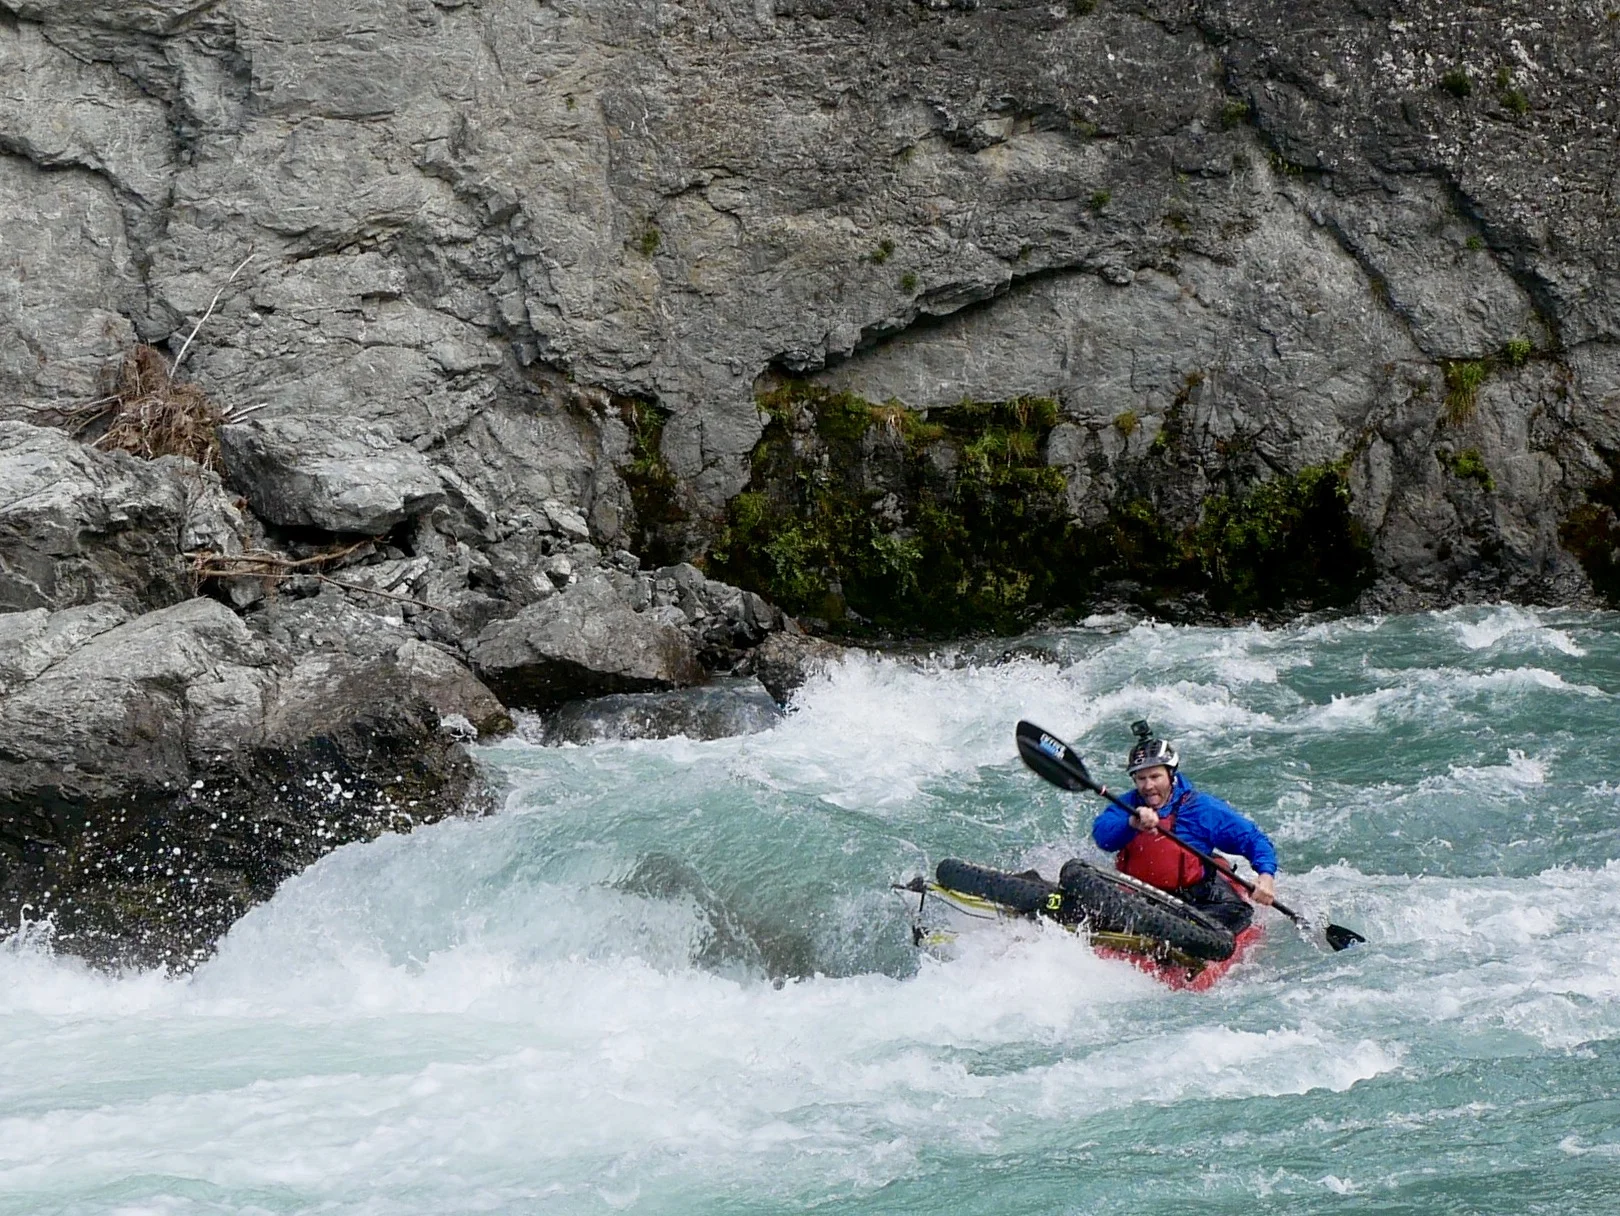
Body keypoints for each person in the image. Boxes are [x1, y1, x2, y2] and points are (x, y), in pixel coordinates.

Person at [1086, 720, 1277, 934]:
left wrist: (1266, 876)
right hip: (1139, 897)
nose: (1148, 786)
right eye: (1141, 778)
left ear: (1171, 775)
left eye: (1155, 776)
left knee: (1237, 915)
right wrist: (1131, 823)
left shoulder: (1200, 808)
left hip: (1194, 901)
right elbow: (1103, 836)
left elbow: (1253, 840)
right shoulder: (1127, 805)